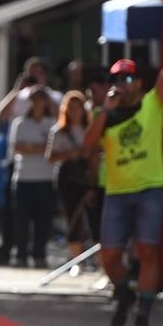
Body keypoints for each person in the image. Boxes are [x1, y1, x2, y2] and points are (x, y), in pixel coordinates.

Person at [84, 37, 163, 326]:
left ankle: (143, 313)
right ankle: (124, 292)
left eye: (127, 78)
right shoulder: (104, 116)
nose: (121, 84)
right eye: (116, 79)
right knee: (109, 256)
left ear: (139, 83)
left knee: (147, 251)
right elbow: (87, 145)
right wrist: (105, 111)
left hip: (150, 189)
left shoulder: (152, 104)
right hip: (117, 194)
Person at [7, 86, 56, 267]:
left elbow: (53, 149)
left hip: (46, 177)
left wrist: (32, 147)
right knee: (22, 219)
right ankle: (21, 253)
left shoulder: (51, 124)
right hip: (24, 177)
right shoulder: (20, 123)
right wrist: (40, 148)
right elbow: (17, 147)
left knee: (43, 219)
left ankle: (39, 254)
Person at [51, 90, 94, 262]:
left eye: (78, 107)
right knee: (73, 218)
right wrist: (70, 153)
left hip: (88, 177)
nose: (75, 111)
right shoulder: (59, 131)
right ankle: (76, 259)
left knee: (91, 217)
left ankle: (95, 258)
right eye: (71, 107)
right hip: (67, 178)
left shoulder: (90, 129)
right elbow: (51, 157)